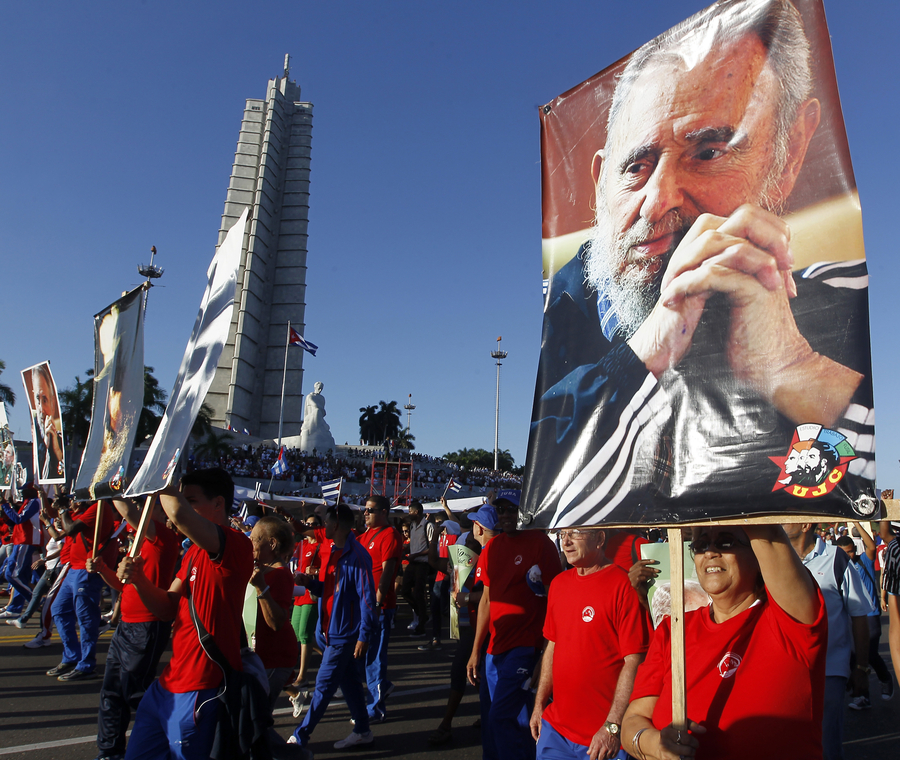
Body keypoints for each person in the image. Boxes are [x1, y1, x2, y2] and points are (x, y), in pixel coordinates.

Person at [524, 0, 875, 527]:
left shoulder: (839, 301)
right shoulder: (563, 324)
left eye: (709, 152)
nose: (658, 198)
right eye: (636, 167)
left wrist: (795, 372)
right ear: (599, 184)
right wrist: (642, 355)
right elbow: (548, 508)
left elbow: (860, 494)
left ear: (792, 151)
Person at [622, 525, 826, 759]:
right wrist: (656, 744)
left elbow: (768, 534)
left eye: (726, 542)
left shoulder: (791, 621)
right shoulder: (674, 629)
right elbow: (633, 720)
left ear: (758, 555)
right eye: (700, 544)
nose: (710, 552)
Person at [117, 468, 254, 760]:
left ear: (218, 503)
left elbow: (178, 514)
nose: (181, 507)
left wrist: (161, 469)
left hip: (202, 688)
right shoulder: (192, 552)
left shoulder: (237, 544)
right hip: (166, 684)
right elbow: (167, 607)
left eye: (192, 499)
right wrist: (139, 580)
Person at [530, 527, 649, 760]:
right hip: (556, 731)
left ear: (600, 538)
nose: (566, 541)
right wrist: (539, 705)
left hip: (602, 740)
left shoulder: (622, 585)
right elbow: (552, 646)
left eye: (575, 533)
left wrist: (612, 727)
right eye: (563, 535)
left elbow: (634, 660)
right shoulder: (558, 584)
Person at [466, 489, 563, 760]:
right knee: (500, 717)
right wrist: (476, 651)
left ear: (523, 513)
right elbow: (486, 600)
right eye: (501, 509)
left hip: (525, 645)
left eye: (512, 510)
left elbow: (555, 598)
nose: (506, 515)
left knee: (501, 715)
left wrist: (545, 653)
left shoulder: (541, 544)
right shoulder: (493, 547)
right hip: (494, 647)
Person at [88, 497, 179, 760]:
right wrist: (102, 569)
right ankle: (109, 752)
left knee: (134, 691)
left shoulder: (163, 537)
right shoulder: (139, 544)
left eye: (146, 506)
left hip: (147, 625)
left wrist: (109, 480)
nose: (141, 511)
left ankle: (176, 734)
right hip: (126, 625)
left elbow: (128, 512)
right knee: (112, 693)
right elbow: (123, 584)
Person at [289, 504, 377, 751]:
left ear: (336, 525)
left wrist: (363, 635)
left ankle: (300, 736)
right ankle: (363, 730)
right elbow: (330, 591)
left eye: (325, 523)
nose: (322, 527)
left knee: (323, 687)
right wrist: (310, 584)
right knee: (349, 684)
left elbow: (367, 599)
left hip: (344, 634)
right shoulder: (334, 552)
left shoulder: (357, 556)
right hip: (331, 631)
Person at [784, 522, 874, 759]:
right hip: (787, 670)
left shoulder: (836, 559)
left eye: (786, 517)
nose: (779, 521)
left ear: (805, 524)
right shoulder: (776, 557)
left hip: (829, 670)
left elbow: (859, 616)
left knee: (826, 743)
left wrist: (861, 668)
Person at [427, 503, 498, 746]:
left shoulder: (493, 553)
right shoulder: (484, 554)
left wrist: (468, 597)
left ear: (478, 527)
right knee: (479, 675)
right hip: (476, 624)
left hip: (485, 625)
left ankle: (446, 724)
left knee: (462, 670)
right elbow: (434, 561)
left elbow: (492, 594)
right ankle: (487, 714)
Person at [48, 498, 118, 681]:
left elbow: (70, 528)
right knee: (59, 610)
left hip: (86, 571)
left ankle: (87, 665)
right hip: (74, 569)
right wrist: (63, 512)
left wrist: (64, 509)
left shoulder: (99, 508)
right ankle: (72, 657)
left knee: (86, 619)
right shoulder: (86, 511)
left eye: (75, 499)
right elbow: (64, 531)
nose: (73, 502)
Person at [247, 515, 299, 753]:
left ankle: (293, 755)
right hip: (260, 656)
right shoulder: (261, 570)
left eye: (255, 538)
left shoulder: (279, 575)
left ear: (272, 544)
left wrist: (261, 588)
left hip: (274, 660)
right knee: (252, 719)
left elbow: (277, 622)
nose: (250, 541)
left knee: (254, 721)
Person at [357, 495, 402, 722]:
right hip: (361, 605)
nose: (365, 513)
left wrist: (377, 601)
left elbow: (387, 571)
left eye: (370, 510)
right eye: (364, 510)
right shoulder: (363, 536)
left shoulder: (390, 535)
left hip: (378, 606)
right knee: (358, 654)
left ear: (384, 512)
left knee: (374, 656)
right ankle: (381, 686)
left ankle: (375, 709)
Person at [836, 526, 894, 701]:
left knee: (869, 653)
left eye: (851, 551)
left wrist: (856, 522)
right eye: (844, 553)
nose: (849, 555)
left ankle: (885, 678)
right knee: (854, 656)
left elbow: (871, 546)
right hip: (851, 618)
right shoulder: (837, 569)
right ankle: (862, 696)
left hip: (870, 616)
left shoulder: (863, 561)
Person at [0, 484, 42, 618]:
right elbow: (17, 523)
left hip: (26, 541)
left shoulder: (35, 502)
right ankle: (14, 608)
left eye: (23, 489)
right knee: (21, 576)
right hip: (20, 540)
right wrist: (6, 516)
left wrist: (6, 505)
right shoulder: (27, 502)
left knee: (12, 575)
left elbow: (20, 518)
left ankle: (37, 601)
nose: (20, 492)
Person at [30, 363, 65, 481]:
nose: (41, 408)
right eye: (37, 399)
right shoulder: (35, 435)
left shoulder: (59, 440)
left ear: (53, 403)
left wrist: (56, 450)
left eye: (44, 400)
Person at [401, 500, 429, 636]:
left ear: (417, 512)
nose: (409, 514)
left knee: (418, 592)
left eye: (410, 511)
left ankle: (422, 623)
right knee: (405, 590)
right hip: (413, 562)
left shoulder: (427, 526)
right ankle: (422, 614)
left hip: (422, 563)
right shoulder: (412, 525)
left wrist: (416, 554)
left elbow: (431, 548)